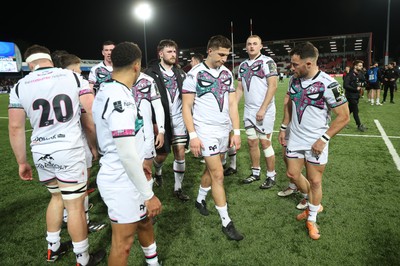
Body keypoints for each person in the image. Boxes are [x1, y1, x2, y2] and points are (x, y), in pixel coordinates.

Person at [8, 44, 105, 265]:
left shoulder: (19, 86)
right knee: (74, 205)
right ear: (49, 60)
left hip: (41, 151)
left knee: (56, 198)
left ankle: (53, 248)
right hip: (68, 149)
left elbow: (15, 128)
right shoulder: (72, 77)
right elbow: (89, 114)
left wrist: (21, 162)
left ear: (29, 63)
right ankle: (83, 258)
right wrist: (95, 145)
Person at [92, 41, 162, 266]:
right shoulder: (119, 98)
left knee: (144, 222)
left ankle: (153, 262)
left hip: (129, 174)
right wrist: (149, 195)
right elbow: (125, 152)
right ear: (137, 65)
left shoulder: (109, 88)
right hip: (121, 178)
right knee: (123, 244)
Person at [278, 41, 350, 240]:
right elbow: (289, 104)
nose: (291, 68)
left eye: (295, 64)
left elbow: (344, 116)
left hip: (316, 142)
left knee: (315, 181)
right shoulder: (294, 80)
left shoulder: (330, 84)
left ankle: (312, 218)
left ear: (308, 63)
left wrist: (324, 138)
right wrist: (284, 127)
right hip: (295, 138)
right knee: (292, 174)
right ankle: (313, 203)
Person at [182, 35, 244, 241]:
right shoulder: (194, 74)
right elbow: (187, 107)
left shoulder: (227, 73)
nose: (225, 59)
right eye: (221, 54)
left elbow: (233, 104)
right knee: (218, 174)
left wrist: (236, 131)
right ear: (210, 51)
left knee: (211, 168)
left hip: (223, 130)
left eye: (227, 55)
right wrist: (193, 136)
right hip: (205, 130)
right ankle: (226, 222)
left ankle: (200, 199)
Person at [57, 53, 106, 233]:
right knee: (81, 186)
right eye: (78, 68)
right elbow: (88, 120)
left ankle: (63, 218)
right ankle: (83, 221)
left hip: (49, 144)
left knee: (59, 191)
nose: (79, 71)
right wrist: (94, 146)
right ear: (73, 67)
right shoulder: (77, 81)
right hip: (75, 141)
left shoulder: (50, 84)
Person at [144, 39, 189, 201]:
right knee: (161, 155)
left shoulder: (181, 73)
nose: (173, 55)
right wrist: (153, 121)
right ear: (161, 53)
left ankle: (178, 188)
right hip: (159, 122)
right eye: (169, 52)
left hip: (178, 119)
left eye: (174, 52)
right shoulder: (150, 73)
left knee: (180, 152)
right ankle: (158, 171)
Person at [236, 35, 278, 189]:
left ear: (261, 46)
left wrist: (263, 108)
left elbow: (273, 86)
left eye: (255, 44)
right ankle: (255, 172)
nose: (252, 46)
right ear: (246, 47)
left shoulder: (268, 62)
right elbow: (239, 89)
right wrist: (232, 106)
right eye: (249, 44)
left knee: (265, 142)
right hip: (248, 110)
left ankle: (271, 175)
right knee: (252, 142)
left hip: (264, 110)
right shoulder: (242, 65)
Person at [343, 60, 367, 132]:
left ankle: (342, 122)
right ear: (355, 66)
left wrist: (361, 85)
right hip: (350, 95)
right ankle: (359, 125)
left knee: (351, 109)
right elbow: (345, 85)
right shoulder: (349, 75)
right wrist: (355, 88)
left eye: (361, 66)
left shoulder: (361, 74)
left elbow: (365, 82)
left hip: (357, 95)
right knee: (356, 110)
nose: (361, 67)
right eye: (359, 66)